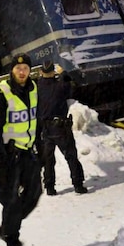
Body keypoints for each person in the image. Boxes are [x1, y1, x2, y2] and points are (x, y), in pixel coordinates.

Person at [0, 53, 42, 246]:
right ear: (12, 70)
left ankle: (7, 227)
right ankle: (12, 241)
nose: (22, 71)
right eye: (18, 68)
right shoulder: (1, 93)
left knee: (34, 195)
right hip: (8, 155)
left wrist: (41, 150)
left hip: (27, 152)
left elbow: (37, 121)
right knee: (11, 200)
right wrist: (0, 160)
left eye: (26, 68)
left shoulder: (34, 89)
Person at [36, 60, 87, 196]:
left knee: (48, 160)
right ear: (53, 72)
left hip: (45, 129)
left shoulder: (38, 87)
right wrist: (63, 73)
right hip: (61, 128)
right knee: (71, 156)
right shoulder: (60, 86)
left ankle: (50, 187)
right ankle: (78, 185)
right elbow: (73, 86)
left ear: (41, 72)